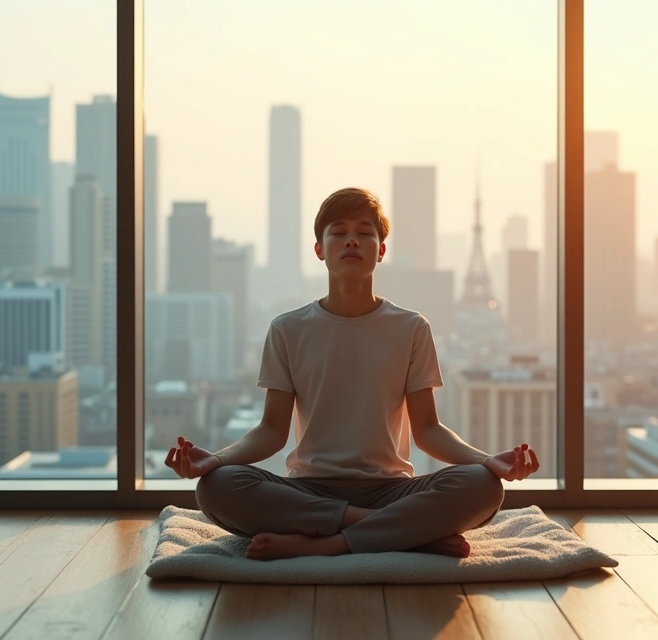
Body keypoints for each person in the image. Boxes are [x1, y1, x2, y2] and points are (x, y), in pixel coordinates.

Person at [165, 187, 540, 561]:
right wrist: (216, 459)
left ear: (380, 250)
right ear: (319, 249)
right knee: (216, 487)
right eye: (339, 232)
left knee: (483, 486)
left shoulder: (411, 328)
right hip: (308, 491)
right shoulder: (288, 329)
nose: (352, 241)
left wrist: (486, 461)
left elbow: (428, 430)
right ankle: (401, 532)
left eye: (364, 232)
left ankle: (329, 542)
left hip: (391, 488)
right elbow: (271, 431)